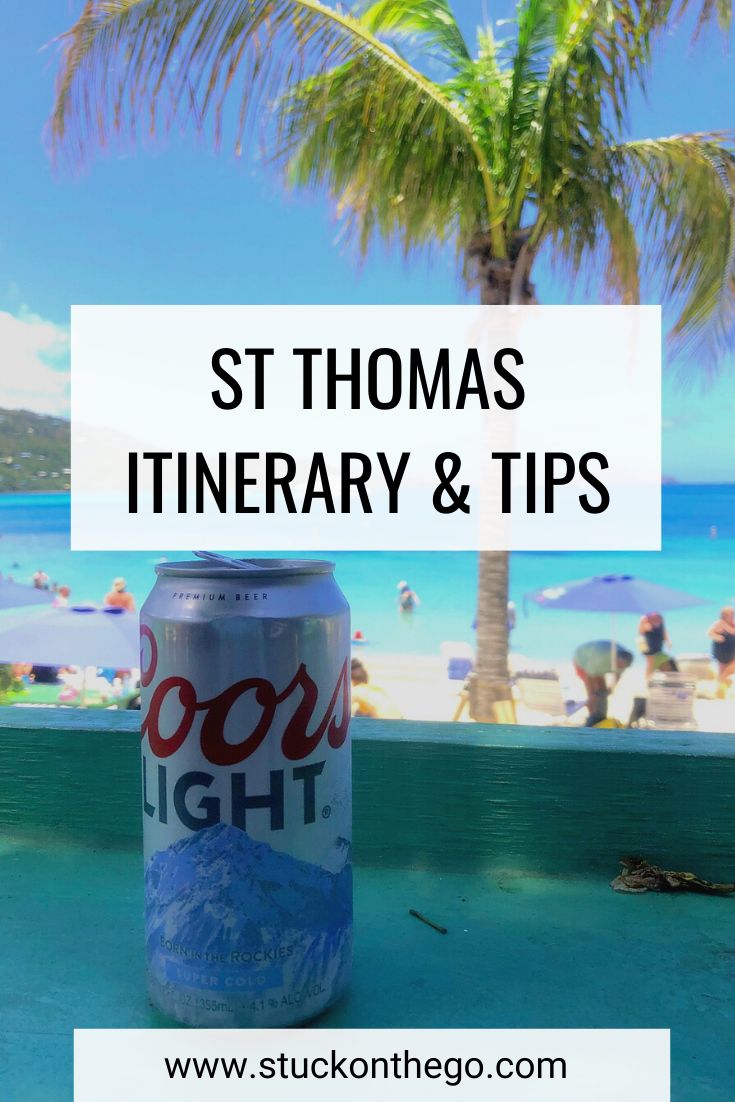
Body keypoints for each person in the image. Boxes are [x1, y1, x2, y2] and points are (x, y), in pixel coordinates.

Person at [572, 640, 634, 726]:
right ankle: (592, 719)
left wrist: (612, 688)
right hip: (582, 658)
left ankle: (600, 717)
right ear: (615, 659)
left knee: (603, 692)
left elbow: (618, 674)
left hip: (599, 659)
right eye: (618, 665)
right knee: (594, 693)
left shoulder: (624, 660)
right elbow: (588, 676)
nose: (619, 668)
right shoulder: (599, 660)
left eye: (622, 667)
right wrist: (590, 695)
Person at [708, 606, 735, 696]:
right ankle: (719, 693)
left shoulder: (733, 624)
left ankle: (723, 688)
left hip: (732, 653)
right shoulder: (719, 624)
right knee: (722, 673)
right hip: (722, 653)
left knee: (728, 672)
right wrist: (718, 637)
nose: (732, 615)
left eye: (732, 613)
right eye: (730, 613)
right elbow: (710, 633)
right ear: (724, 615)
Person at [637, 612, 670, 679]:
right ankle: (648, 680)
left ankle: (650, 679)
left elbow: (663, 630)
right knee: (651, 664)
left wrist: (668, 641)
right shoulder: (645, 618)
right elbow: (640, 631)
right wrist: (645, 626)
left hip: (658, 644)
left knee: (655, 663)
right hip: (648, 644)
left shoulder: (659, 617)